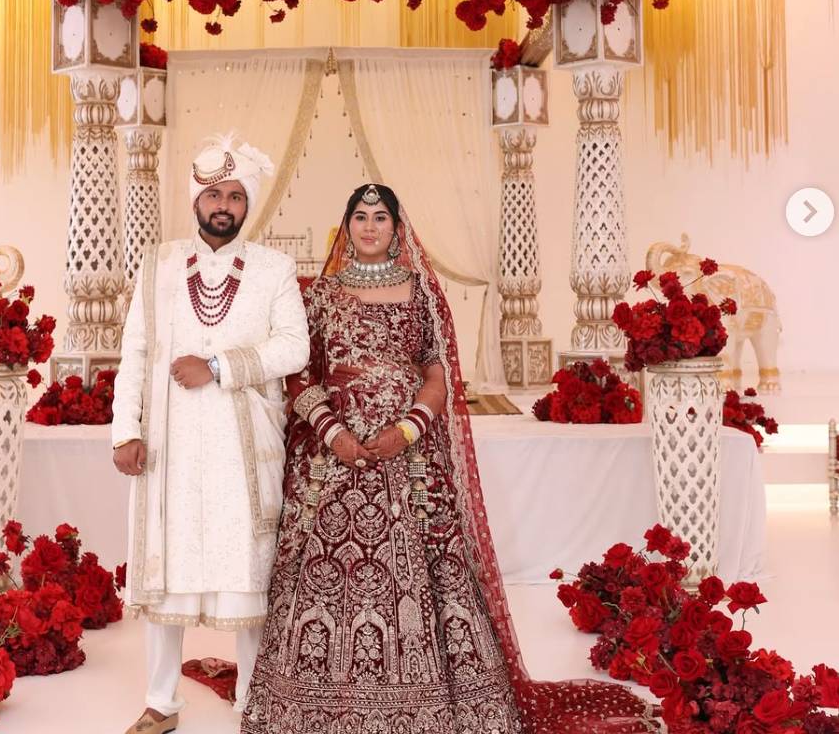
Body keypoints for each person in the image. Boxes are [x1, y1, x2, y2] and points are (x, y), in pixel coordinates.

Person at [241, 184, 656, 734]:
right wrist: (333, 433)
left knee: (429, 561)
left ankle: (432, 695)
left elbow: (438, 374)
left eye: (380, 217)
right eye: (360, 217)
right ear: (347, 226)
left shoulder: (421, 292)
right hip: (334, 457)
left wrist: (407, 429)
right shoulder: (320, 294)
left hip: (408, 457)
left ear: (397, 228)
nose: (370, 226)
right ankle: (312, 701)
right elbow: (299, 375)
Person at [111, 133, 310, 734]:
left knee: (246, 568)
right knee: (164, 566)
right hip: (169, 444)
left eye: (235, 196)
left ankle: (253, 700)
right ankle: (161, 702)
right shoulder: (159, 264)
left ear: (248, 204)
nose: (224, 205)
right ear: (196, 201)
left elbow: (294, 348)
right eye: (214, 195)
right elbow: (135, 352)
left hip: (241, 445)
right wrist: (125, 429)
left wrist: (218, 367)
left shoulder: (274, 268)